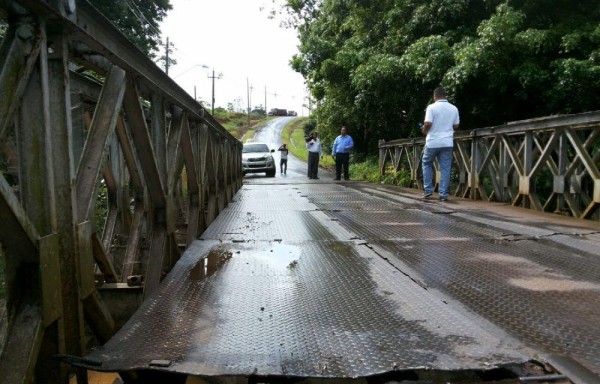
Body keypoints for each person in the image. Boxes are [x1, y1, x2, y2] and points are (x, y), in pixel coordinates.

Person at [421, 86, 460, 201]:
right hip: (447, 142)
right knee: (445, 168)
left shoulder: (431, 107)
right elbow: (456, 125)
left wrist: (424, 130)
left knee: (427, 163)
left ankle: (428, 190)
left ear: (435, 96)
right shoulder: (454, 108)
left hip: (433, 141)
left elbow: (428, 123)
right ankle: (443, 194)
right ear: (445, 95)